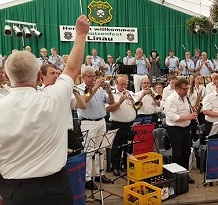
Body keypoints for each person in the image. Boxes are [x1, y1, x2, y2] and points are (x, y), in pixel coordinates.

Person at [0, 15, 89, 205]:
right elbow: (72, 67)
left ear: (7, 75)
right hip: (55, 191)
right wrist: (81, 35)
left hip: (14, 193)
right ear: (40, 76)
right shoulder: (54, 97)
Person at [77, 66, 115, 190]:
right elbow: (84, 102)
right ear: (83, 77)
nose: (93, 78)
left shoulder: (98, 89)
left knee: (101, 149)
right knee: (89, 151)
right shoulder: (80, 88)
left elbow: (111, 102)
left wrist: (109, 91)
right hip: (88, 122)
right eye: (89, 76)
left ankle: (99, 174)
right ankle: (88, 179)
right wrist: (97, 86)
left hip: (101, 121)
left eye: (94, 76)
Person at [164, 78, 198, 184]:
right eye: (184, 89)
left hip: (186, 129)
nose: (186, 91)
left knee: (186, 153)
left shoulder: (185, 97)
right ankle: (175, 177)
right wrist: (189, 117)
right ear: (177, 88)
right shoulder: (171, 100)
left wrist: (193, 111)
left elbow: (186, 112)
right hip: (175, 130)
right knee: (177, 154)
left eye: (187, 89)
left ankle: (184, 175)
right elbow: (173, 117)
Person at [106, 77, 136, 176]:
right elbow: (109, 109)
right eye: (122, 84)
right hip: (117, 124)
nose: (124, 86)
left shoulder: (130, 93)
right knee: (117, 147)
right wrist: (119, 102)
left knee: (128, 146)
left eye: (125, 84)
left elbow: (136, 105)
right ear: (116, 84)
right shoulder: (112, 95)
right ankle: (115, 167)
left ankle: (126, 165)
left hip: (130, 124)